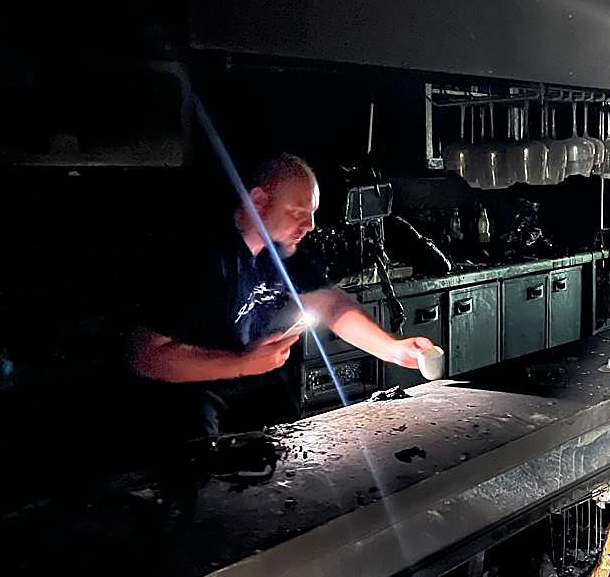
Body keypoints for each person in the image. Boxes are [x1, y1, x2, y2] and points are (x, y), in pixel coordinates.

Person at [128, 153, 434, 434]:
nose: (310, 225)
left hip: (256, 396)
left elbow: (332, 306)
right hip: (193, 408)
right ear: (259, 202)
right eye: (298, 211)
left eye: (312, 212)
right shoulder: (205, 259)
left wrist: (393, 350)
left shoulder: (283, 251)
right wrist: (243, 364)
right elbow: (146, 356)